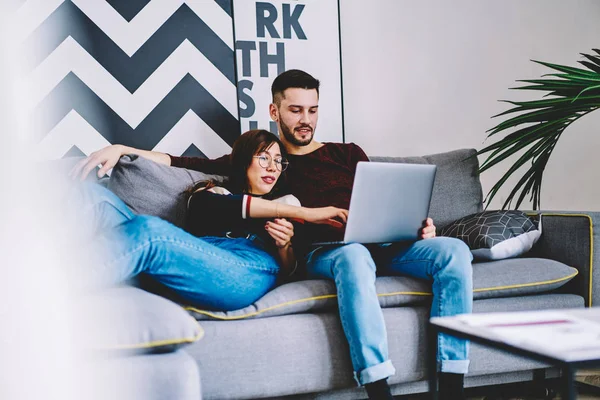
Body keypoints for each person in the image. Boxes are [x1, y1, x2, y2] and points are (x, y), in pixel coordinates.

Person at [73, 71, 473, 400]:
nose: (306, 119)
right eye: (296, 110)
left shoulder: (347, 153)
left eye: (313, 110)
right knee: (354, 256)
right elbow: (181, 164)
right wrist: (126, 149)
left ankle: (453, 382)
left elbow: (382, 196)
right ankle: (377, 384)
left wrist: (417, 225)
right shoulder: (261, 160)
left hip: (383, 241)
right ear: (275, 110)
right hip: (329, 250)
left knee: (452, 250)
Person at [70, 129, 348, 311]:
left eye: (278, 161)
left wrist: (285, 246)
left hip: (248, 266)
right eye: (263, 158)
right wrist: (307, 213)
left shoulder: (288, 202)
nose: (273, 168)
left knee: (150, 231)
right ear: (242, 162)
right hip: (196, 255)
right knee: (92, 197)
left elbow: (292, 273)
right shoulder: (215, 191)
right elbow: (214, 209)